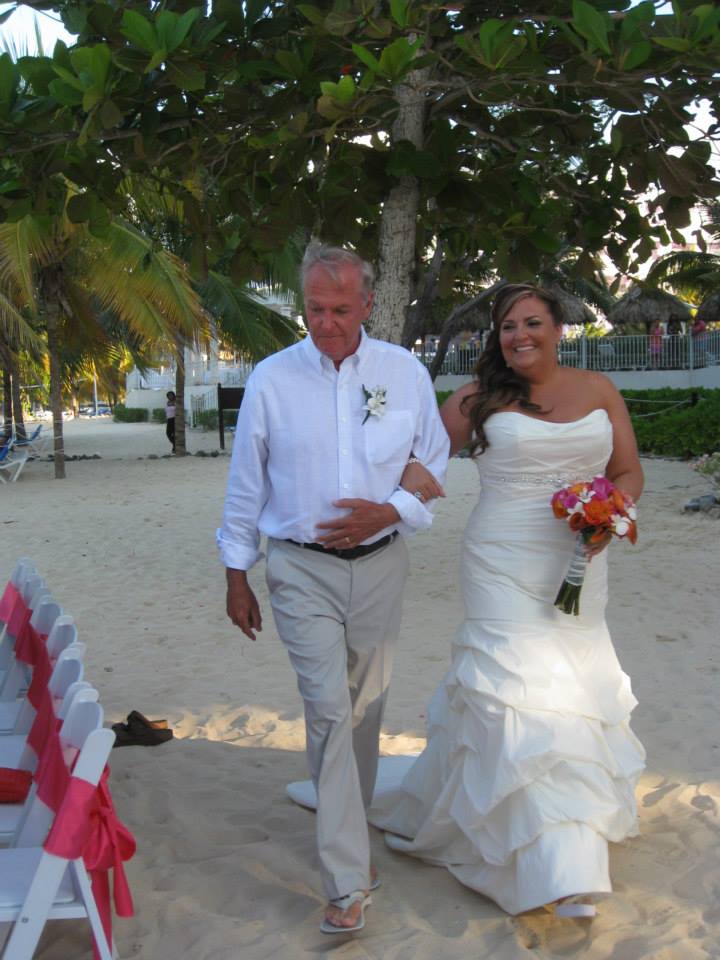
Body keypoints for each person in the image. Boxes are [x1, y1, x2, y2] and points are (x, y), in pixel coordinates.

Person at [326, 282, 645, 918]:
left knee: (573, 696)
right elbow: (414, 454)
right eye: (506, 326)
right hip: (501, 559)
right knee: (518, 690)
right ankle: (560, 866)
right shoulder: (475, 398)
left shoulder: (599, 390)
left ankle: (564, 840)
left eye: (532, 323)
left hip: (580, 556)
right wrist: (391, 483)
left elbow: (628, 470)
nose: (519, 335)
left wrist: (614, 512)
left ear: (558, 327)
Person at [217, 243, 449, 934]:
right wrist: (237, 572)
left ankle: (347, 829)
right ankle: (349, 880)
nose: (325, 322)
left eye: (340, 309)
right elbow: (246, 482)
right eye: (315, 309)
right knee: (324, 710)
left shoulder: (402, 372)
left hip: (382, 564)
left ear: (368, 305)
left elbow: (433, 456)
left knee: (364, 711)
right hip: (298, 567)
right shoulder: (271, 378)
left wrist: (393, 512)